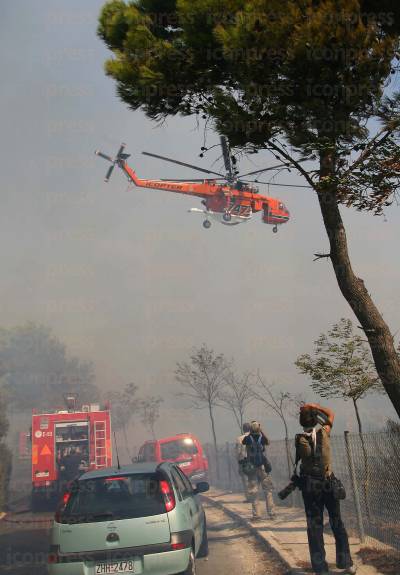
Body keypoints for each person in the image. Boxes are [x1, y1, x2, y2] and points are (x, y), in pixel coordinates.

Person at [296, 403, 356, 575]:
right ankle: (346, 563)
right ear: (316, 420)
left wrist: (309, 413)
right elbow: (331, 413)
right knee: (337, 522)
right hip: (328, 483)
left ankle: (320, 568)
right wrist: (314, 406)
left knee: (314, 526)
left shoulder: (299, 439)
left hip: (310, 488)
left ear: (301, 422)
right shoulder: (325, 432)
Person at [242, 420, 276, 520]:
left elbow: (243, 442)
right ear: (259, 428)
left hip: (252, 468)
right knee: (268, 491)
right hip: (263, 468)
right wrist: (262, 431)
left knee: (254, 492)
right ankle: (272, 513)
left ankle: (257, 515)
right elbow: (268, 442)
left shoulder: (248, 438)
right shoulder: (262, 438)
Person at [235, 422, 251, 501]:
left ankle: (249, 497)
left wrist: (238, 460)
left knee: (245, 480)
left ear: (243, 429)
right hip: (254, 461)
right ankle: (255, 496)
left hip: (244, 461)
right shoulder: (255, 437)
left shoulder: (240, 439)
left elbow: (238, 452)